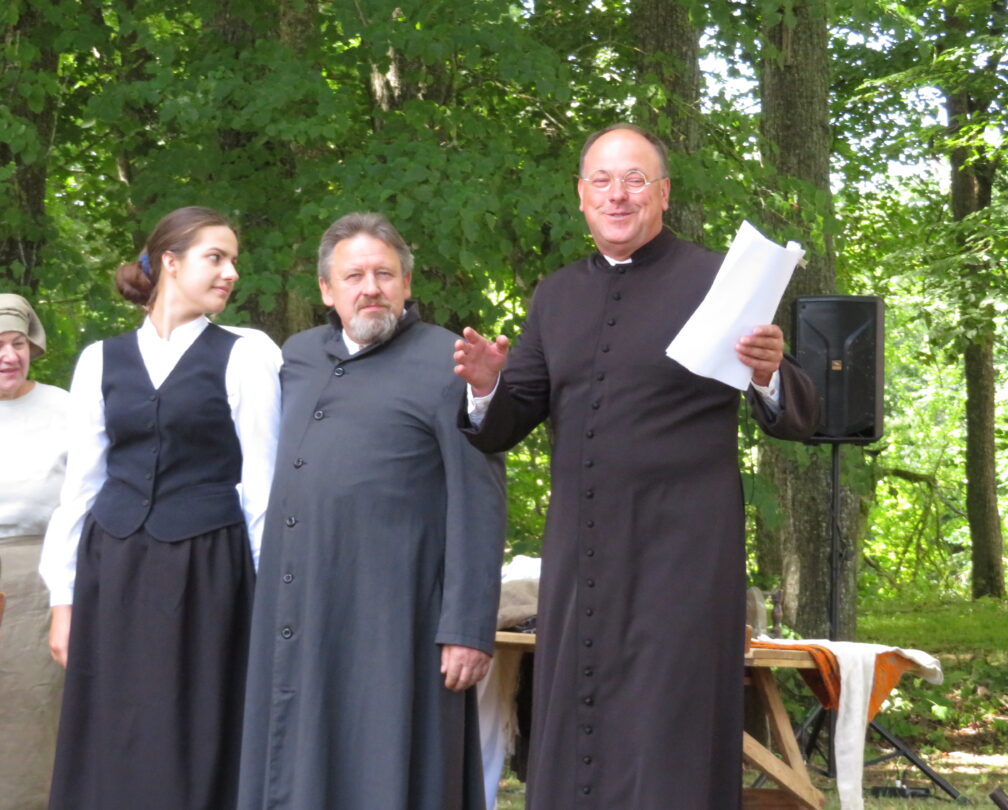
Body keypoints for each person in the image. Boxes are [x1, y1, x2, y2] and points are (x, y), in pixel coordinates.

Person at [453, 123, 821, 809]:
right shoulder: (556, 294)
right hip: (583, 555)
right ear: (581, 195)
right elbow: (506, 420)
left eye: (634, 180)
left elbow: (798, 414)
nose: (617, 195)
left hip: (682, 556)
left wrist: (768, 372)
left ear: (664, 193)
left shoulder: (717, 280)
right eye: (602, 181)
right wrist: (484, 388)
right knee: (577, 716)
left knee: (668, 725)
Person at [237, 212, 505, 810]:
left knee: (387, 767)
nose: (371, 288)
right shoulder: (298, 356)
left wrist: (467, 629)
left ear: (407, 283)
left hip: (398, 618)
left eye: (384, 274)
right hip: (305, 609)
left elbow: (479, 500)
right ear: (326, 290)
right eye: (353, 276)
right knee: (300, 759)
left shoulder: (448, 361)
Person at [38, 207, 282, 810]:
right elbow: (81, 487)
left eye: (233, 260)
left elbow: (263, 488)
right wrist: (64, 601)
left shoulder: (244, 356)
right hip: (114, 570)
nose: (231, 273)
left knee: (191, 731)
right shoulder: (101, 359)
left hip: (208, 572)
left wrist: (269, 597)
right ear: (170, 262)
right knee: (113, 728)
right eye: (215, 258)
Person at [0, 294, 69, 809]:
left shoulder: (64, 409)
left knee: (33, 710)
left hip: (38, 581)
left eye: (17, 343)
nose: (8, 356)